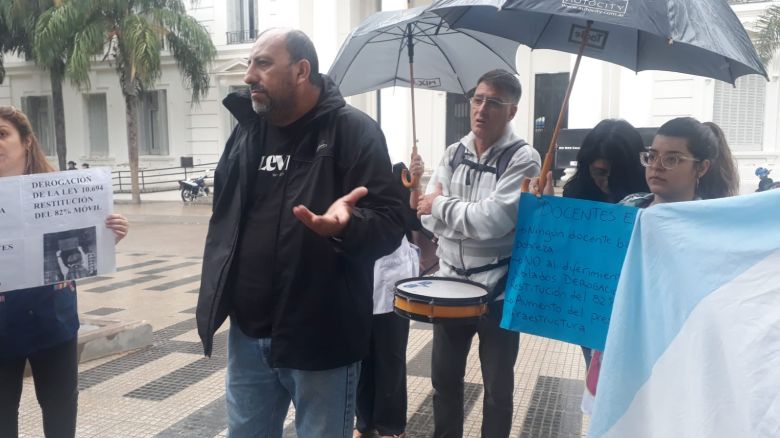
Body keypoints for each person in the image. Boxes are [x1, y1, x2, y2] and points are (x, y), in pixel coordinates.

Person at [195, 29, 405, 438]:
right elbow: (226, 218)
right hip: (249, 336)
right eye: (251, 64)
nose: (250, 75)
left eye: (263, 63)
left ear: (301, 71)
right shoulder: (246, 133)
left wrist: (346, 226)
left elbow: (390, 222)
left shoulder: (354, 132)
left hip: (321, 339)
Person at [533, 117, 739, 413]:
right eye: (652, 156)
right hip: (615, 348)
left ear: (702, 167)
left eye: (672, 159)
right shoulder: (629, 207)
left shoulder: (714, 225)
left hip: (672, 355)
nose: (656, 166)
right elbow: (586, 261)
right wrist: (545, 211)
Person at [410, 69, 541, 438]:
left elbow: (495, 220)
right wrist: (449, 212)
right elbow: (428, 217)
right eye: (478, 99)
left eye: (494, 102)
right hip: (449, 284)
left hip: (497, 289)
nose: (482, 109)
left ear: (512, 111)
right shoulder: (454, 152)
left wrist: (442, 207)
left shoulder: (523, 158)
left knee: (498, 389)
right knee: (443, 381)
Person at [0, 106, 129, 438]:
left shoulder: (63, 191)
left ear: (26, 141)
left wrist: (109, 232)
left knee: (60, 417)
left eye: (2, 134)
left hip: (53, 323)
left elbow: (85, 247)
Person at [557, 119, 649, 368]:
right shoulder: (576, 194)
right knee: (596, 377)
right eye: (598, 172)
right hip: (590, 307)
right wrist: (546, 211)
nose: (606, 180)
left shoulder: (651, 200)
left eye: (614, 173)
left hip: (636, 311)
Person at [354, 163, 420, 438]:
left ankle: (391, 426)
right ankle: (364, 422)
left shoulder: (398, 174)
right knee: (361, 357)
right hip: (357, 281)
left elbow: (414, 220)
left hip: (392, 280)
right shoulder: (347, 176)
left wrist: (415, 186)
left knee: (390, 358)